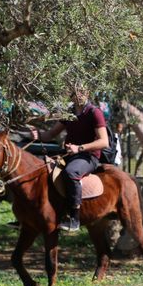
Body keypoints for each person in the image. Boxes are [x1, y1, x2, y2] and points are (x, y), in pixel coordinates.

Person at [31, 86, 109, 232]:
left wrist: (79, 148)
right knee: (40, 169)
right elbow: (51, 134)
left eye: (82, 91)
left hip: (88, 156)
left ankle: (74, 218)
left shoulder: (94, 112)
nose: (79, 94)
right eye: (75, 91)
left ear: (88, 92)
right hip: (69, 155)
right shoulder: (69, 113)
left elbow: (104, 142)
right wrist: (38, 135)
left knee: (71, 172)